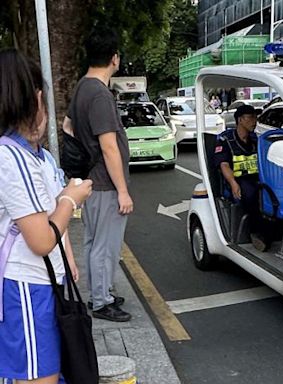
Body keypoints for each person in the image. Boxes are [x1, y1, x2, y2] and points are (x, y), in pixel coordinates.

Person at [0, 49, 92, 383]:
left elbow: (50, 216)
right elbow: (40, 239)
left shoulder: (39, 157)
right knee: (40, 378)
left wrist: (67, 258)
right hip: (26, 286)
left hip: (45, 283)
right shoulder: (10, 157)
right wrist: (72, 197)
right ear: (37, 97)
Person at [63, 26, 133, 322]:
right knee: (106, 245)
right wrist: (123, 191)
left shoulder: (82, 86)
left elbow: (68, 126)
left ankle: (99, 292)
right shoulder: (100, 94)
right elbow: (109, 147)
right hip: (105, 182)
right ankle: (102, 302)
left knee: (94, 242)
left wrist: (84, 154)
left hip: (92, 179)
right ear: (114, 58)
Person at [214, 105, 271, 252]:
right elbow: (224, 165)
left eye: (255, 117)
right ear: (240, 120)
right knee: (251, 194)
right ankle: (255, 232)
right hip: (239, 180)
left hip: (258, 178)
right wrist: (233, 183)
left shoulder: (255, 139)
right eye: (250, 117)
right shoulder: (225, 139)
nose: (255, 121)